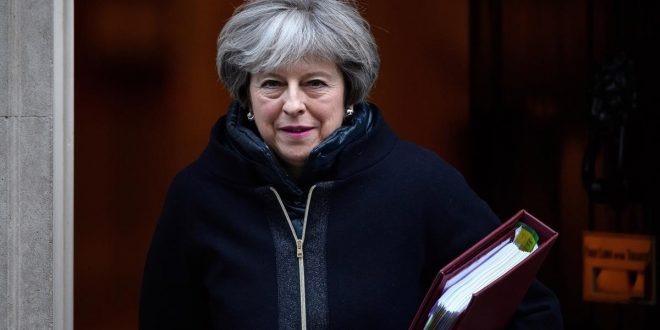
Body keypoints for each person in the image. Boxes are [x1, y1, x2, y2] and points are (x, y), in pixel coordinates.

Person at [139, 0, 563, 329]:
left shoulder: (420, 184)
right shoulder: (198, 197)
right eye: (271, 83)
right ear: (245, 95)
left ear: (350, 92)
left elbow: (533, 312)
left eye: (315, 83)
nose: (292, 105)